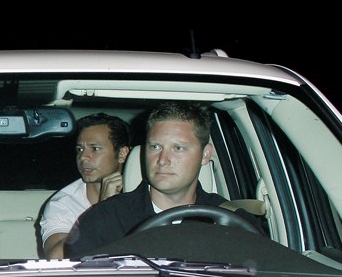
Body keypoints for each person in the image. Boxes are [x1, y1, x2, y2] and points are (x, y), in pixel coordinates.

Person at [64, 101, 265, 257]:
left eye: (178, 148)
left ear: (205, 155)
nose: (162, 160)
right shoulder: (105, 220)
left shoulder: (231, 224)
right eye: (155, 147)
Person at [40, 113, 131, 259]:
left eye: (95, 148)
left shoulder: (147, 194)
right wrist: (102, 210)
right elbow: (57, 258)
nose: (83, 157)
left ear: (122, 154)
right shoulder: (64, 204)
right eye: (80, 149)